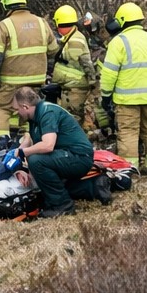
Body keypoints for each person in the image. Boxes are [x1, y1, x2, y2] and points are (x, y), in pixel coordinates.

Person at [98, 2, 147, 173]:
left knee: (128, 132)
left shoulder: (118, 42)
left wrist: (106, 96)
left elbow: (109, 73)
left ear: (122, 21)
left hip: (127, 99)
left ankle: (129, 169)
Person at [0, 0, 59, 145]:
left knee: (2, 110)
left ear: (6, 6)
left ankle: (0, 147)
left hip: (10, 80)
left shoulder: (4, 25)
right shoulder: (42, 22)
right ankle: (27, 148)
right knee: (29, 113)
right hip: (36, 81)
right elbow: (53, 51)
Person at [13, 86, 95, 217]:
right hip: (68, 155)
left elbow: (48, 145)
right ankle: (87, 189)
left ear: (25, 107)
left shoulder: (47, 112)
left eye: (17, 110)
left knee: (36, 161)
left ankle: (62, 205)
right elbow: (31, 137)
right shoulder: (35, 116)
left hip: (78, 157)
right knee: (36, 159)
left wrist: (24, 153)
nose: (16, 113)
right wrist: (20, 149)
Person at [51, 5, 97, 125]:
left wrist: (93, 83)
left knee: (73, 122)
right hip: (70, 88)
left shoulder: (75, 41)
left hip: (75, 89)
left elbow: (85, 63)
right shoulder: (69, 38)